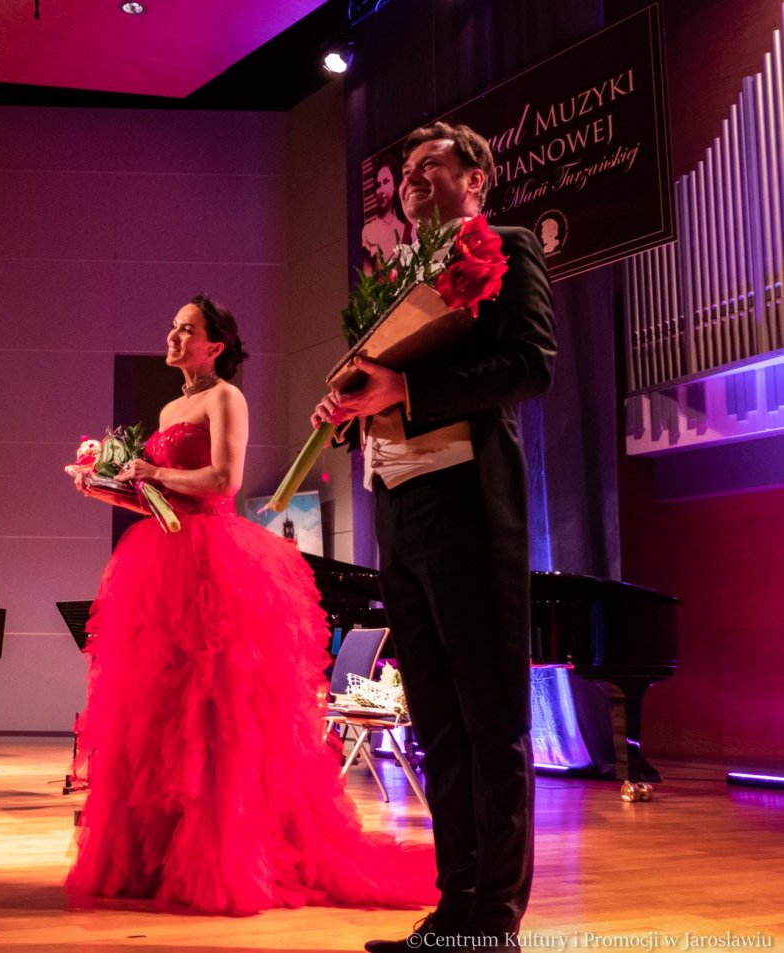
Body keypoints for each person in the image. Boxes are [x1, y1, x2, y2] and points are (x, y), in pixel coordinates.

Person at [65, 295, 437, 916]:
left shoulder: (224, 398)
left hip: (214, 561)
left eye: (188, 329)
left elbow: (221, 483)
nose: (174, 335)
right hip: (161, 560)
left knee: (214, 715)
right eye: (174, 326)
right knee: (161, 719)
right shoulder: (168, 406)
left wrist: (150, 475)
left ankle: (226, 858)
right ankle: (160, 859)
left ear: (215, 345)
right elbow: (160, 500)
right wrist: (108, 489)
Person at [313, 122, 556, 952]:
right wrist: (350, 409)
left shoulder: (510, 247)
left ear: (476, 178)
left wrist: (406, 386)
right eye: (404, 171)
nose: (409, 178)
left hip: (467, 504)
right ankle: (454, 910)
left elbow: (530, 365)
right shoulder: (394, 281)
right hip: (400, 512)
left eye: (430, 166)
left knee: (491, 717)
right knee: (438, 724)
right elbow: (380, 390)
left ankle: (496, 921)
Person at [361, 162, 413, 267]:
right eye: (378, 185)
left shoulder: (405, 228)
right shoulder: (369, 230)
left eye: (386, 182)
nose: (381, 191)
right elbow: (367, 274)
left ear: (394, 186)